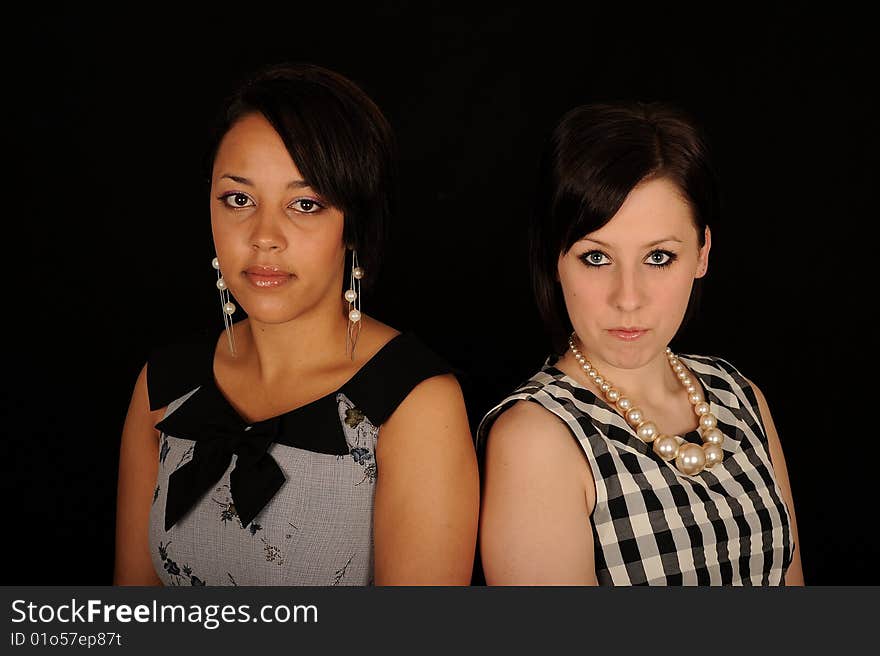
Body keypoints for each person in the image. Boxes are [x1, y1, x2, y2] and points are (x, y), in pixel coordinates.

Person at [114, 63, 479, 586]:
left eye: (304, 204)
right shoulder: (164, 383)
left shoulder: (413, 402)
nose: (265, 236)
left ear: (352, 224)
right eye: (239, 199)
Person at [477, 102, 803, 585]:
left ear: (702, 253)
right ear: (554, 258)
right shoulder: (538, 438)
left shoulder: (740, 396)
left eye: (658, 256)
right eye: (595, 257)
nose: (627, 298)